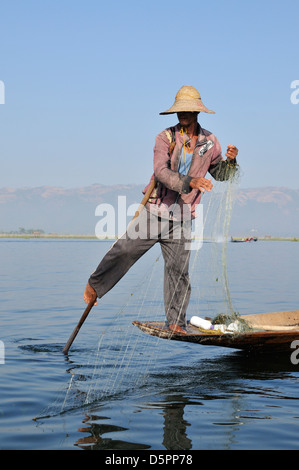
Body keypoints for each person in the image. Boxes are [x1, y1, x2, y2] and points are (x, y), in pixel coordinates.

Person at [84, 85, 238, 334]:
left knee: (179, 271)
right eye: (179, 111)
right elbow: (161, 172)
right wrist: (190, 182)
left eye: (187, 110)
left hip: (183, 216)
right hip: (156, 210)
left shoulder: (210, 143)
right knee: (125, 249)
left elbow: (220, 174)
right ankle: (96, 284)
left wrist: (231, 162)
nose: (182, 115)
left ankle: (176, 321)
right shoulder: (164, 138)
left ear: (197, 112)